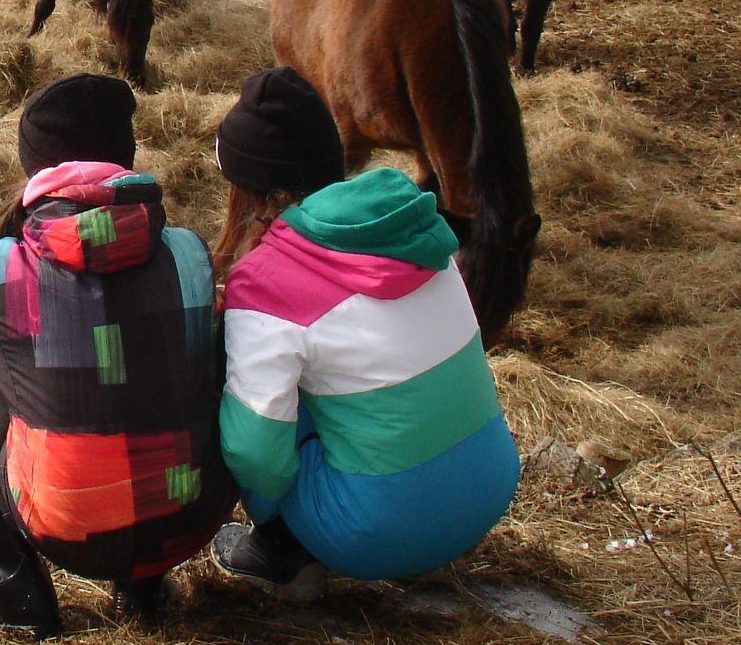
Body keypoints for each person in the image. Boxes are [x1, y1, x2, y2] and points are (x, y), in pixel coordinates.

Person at [0, 73, 235, 637]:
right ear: (125, 159)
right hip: (189, 523)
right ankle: (143, 586)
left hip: (70, 533)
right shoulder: (189, 254)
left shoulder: (2, 271)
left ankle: (14, 588)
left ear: (36, 171)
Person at [209, 67, 521, 599]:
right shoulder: (415, 226)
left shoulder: (267, 282)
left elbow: (254, 453)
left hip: (374, 533)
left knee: (255, 409)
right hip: (486, 492)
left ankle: (282, 551)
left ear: (256, 192)